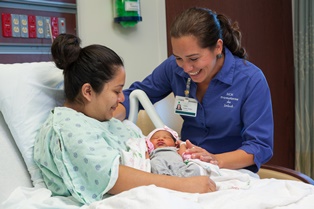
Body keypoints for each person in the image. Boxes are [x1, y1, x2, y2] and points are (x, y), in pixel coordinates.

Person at [33, 34, 215, 205]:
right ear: (88, 91)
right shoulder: (68, 128)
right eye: (116, 91)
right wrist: (184, 185)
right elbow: (112, 176)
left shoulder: (98, 119)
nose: (122, 99)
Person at [114, 7, 274, 173]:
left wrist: (215, 159)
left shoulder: (250, 79)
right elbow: (134, 96)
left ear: (218, 47)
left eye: (194, 58)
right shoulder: (173, 69)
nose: (186, 68)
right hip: (186, 166)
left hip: (231, 169)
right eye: (178, 58)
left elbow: (259, 146)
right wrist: (104, 116)